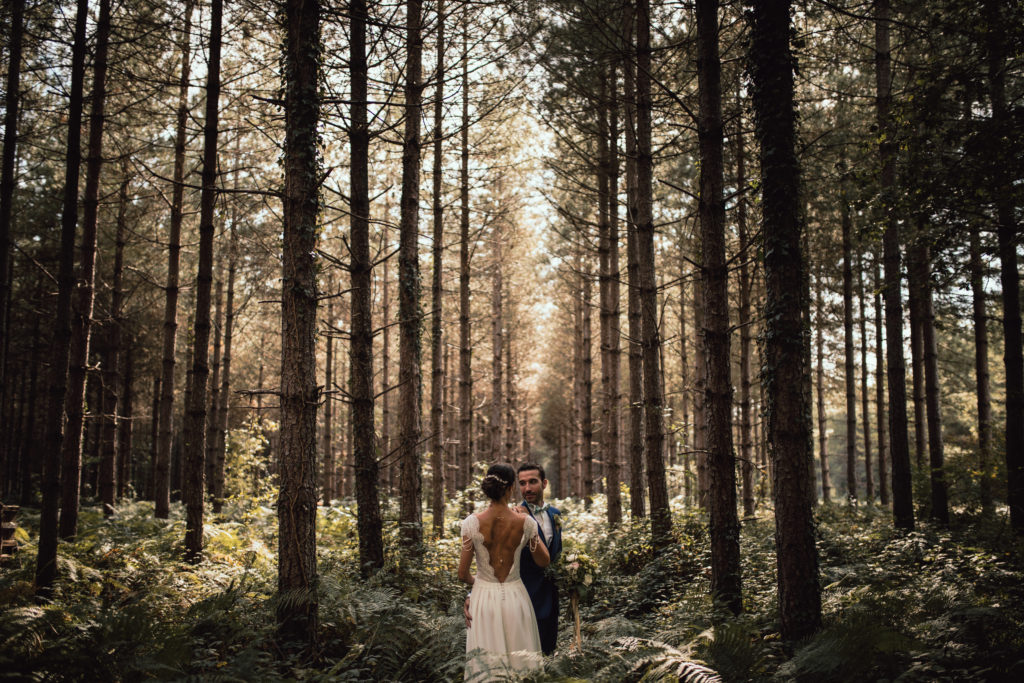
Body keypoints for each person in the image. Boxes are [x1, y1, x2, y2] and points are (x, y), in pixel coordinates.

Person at [459, 463, 550, 680]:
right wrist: (531, 529)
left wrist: (479, 585)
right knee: (522, 661)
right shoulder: (525, 522)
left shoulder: (471, 523)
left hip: (483, 599)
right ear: (511, 489)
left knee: (485, 664)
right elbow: (543, 561)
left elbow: (462, 574)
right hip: (516, 596)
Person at [513, 463, 562, 655]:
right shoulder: (514, 516)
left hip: (552, 596)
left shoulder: (555, 514)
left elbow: (556, 553)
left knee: (549, 649)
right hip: (525, 595)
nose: (527, 488)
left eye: (532, 482)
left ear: (544, 483)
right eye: (522, 483)